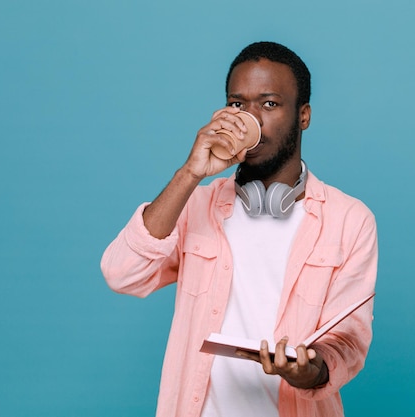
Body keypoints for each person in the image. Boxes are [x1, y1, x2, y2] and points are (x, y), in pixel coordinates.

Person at [100, 41, 378, 417]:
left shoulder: (349, 219)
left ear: (304, 116)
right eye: (237, 104)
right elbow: (122, 274)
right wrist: (190, 174)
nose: (250, 119)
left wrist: (308, 369)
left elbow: (349, 341)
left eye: (269, 104)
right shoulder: (194, 203)